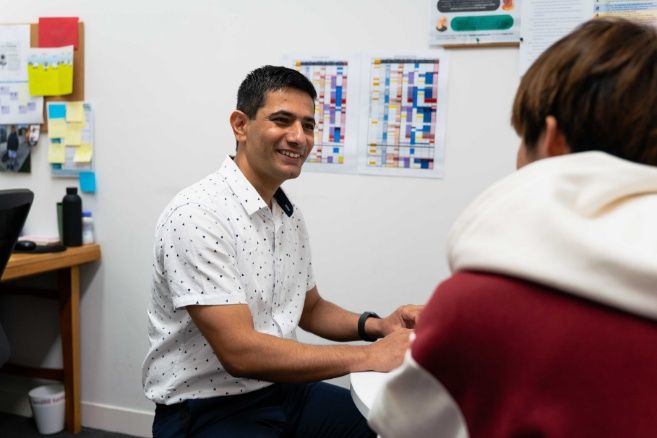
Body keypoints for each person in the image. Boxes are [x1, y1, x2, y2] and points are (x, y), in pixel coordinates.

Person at [369, 17, 657, 438]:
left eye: (524, 137)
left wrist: (455, 323)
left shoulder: (477, 306)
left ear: (553, 141)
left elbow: (400, 424)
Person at [143, 65, 421, 437]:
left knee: (393, 428)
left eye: (308, 125)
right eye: (282, 120)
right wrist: (370, 357)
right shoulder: (197, 214)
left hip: (283, 390)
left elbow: (310, 309)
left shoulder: (286, 213)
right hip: (209, 410)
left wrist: (377, 327)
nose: (299, 137)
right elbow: (240, 352)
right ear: (240, 125)